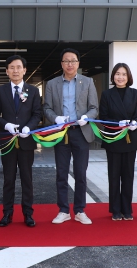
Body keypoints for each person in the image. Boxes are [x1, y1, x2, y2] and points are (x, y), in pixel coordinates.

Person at [43, 48, 98, 225]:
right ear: (61, 64)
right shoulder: (52, 84)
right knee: (61, 173)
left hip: (81, 132)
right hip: (61, 132)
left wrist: (86, 117)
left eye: (73, 61)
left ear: (78, 63)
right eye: (66, 61)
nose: (70, 64)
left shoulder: (87, 82)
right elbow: (46, 108)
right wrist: (55, 118)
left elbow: (94, 108)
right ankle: (63, 210)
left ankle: (80, 210)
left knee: (80, 173)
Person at [0, 55, 42, 228]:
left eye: (18, 67)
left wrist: (29, 127)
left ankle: (28, 214)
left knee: (27, 178)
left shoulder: (33, 91)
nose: (15, 70)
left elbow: (37, 114)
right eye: (11, 67)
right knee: (8, 179)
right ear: (7, 71)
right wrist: (6, 125)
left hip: (27, 141)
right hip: (7, 139)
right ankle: (7, 213)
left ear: (24, 70)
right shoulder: (1, 90)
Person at [98, 63, 137, 221]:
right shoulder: (107, 94)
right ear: (113, 76)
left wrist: (135, 123)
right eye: (117, 74)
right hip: (114, 139)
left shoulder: (136, 94)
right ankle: (115, 209)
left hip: (130, 139)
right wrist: (118, 123)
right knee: (114, 175)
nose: (120, 77)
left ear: (128, 76)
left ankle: (127, 209)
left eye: (124, 74)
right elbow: (103, 117)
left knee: (128, 176)